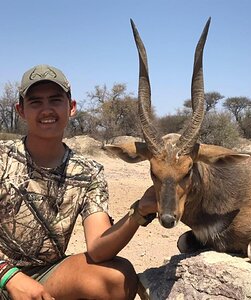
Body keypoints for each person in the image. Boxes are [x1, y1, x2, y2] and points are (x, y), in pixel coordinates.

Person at [0, 64, 157, 300]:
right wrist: (9, 276)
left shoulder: (88, 172)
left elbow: (98, 248)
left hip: (46, 275)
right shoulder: (2, 158)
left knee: (118, 277)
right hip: (3, 270)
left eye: (55, 100)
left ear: (71, 107)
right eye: (35, 102)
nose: (46, 110)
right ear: (20, 110)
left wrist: (139, 212)